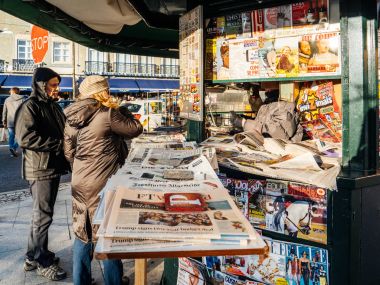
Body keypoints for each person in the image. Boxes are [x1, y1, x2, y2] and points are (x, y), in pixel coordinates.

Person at [63, 75, 143, 285]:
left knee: (83, 232)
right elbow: (135, 129)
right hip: (103, 183)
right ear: (101, 92)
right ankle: (114, 280)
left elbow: (68, 152)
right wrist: (122, 111)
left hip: (80, 181)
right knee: (108, 235)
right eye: (107, 89)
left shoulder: (72, 116)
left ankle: (81, 281)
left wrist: (83, 168)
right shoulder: (107, 113)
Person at [15, 67, 70, 280]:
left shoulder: (52, 106)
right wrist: (58, 144)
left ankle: (33, 255)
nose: (57, 89)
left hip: (50, 166)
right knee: (42, 217)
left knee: (41, 215)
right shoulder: (30, 106)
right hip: (40, 169)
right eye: (53, 85)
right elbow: (25, 138)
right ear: (41, 85)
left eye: (57, 85)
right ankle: (41, 261)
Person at [2, 87, 24, 157]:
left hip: (10, 121)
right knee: (20, 137)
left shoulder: (7, 99)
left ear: (13, 92)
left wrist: (4, 121)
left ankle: (12, 148)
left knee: (11, 136)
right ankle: (14, 147)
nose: (9, 92)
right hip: (20, 121)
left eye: (10, 91)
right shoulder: (23, 99)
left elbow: (4, 112)